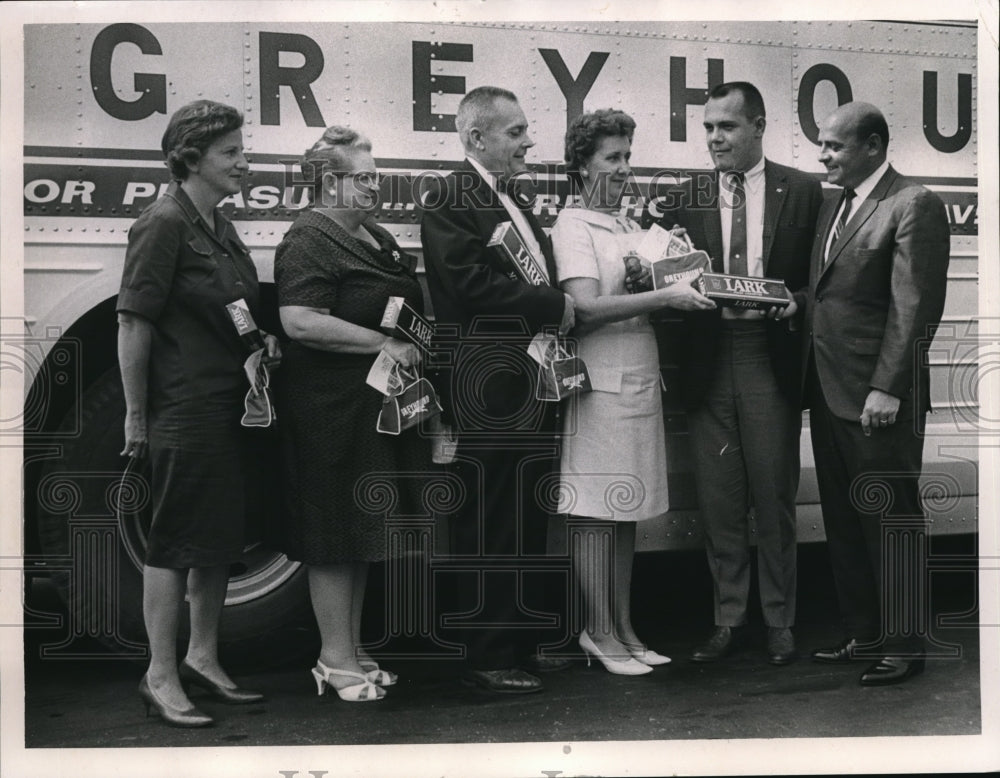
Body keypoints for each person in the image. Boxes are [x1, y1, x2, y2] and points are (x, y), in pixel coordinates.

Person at [117, 100, 281, 727]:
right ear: (191, 158)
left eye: (242, 150)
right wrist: (137, 416)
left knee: (217, 541)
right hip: (185, 409)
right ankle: (159, 674)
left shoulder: (217, 222)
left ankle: (203, 658)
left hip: (230, 407)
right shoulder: (162, 223)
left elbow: (232, 306)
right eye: (231, 153)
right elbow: (134, 323)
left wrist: (256, 341)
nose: (244, 161)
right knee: (175, 543)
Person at [651, 82, 822, 665]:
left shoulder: (802, 191)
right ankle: (728, 619)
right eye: (708, 128)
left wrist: (797, 300)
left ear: (758, 125)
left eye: (726, 126)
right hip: (707, 357)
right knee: (718, 501)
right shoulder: (687, 195)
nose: (715, 138)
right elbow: (661, 272)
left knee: (773, 496)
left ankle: (779, 620)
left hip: (765, 355)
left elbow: (822, 281)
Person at [420, 86, 575, 694]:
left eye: (525, 130)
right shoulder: (452, 198)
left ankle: (520, 641)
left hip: (525, 380)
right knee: (489, 518)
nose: (528, 142)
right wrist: (554, 303)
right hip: (487, 384)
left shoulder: (512, 199)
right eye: (515, 132)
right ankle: (487, 651)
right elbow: (467, 284)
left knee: (524, 514)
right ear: (476, 138)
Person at [552, 109, 715, 674]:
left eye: (627, 157)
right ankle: (596, 632)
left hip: (636, 379)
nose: (624, 169)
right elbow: (583, 311)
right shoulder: (573, 225)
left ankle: (623, 628)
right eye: (611, 158)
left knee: (623, 513)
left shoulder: (624, 224)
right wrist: (663, 298)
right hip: (598, 385)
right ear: (581, 165)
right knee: (596, 513)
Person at [273, 126, 429, 702]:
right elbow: (300, 320)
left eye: (375, 174)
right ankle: (334, 660)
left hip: (371, 407)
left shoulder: (370, 234)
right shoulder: (309, 239)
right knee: (334, 534)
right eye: (362, 178)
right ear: (327, 183)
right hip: (330, 410)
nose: (374, 185)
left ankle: (354, 648)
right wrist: (380, 344)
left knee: (361, 530)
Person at [804, 102, 950, 686]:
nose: (824, 156)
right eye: (822, 145)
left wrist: (887, 387)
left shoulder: (912, 203)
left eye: (834, 146)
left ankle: (906, 645)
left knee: (890, 521)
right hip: (830, 389)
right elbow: (831, 295)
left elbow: (915, 308)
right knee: (843, 520)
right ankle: (864, 634)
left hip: (876, 397)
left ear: (872, 145)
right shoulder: (836, 204)